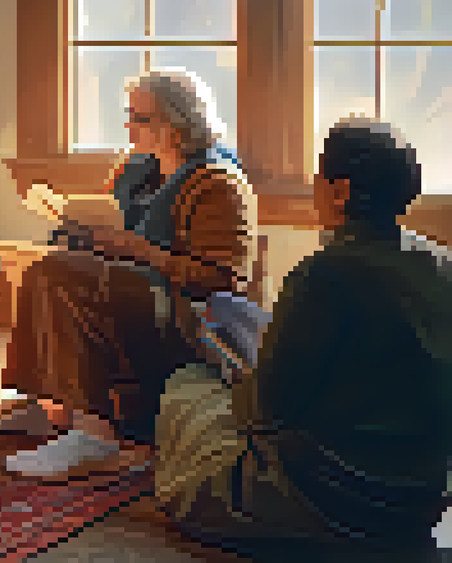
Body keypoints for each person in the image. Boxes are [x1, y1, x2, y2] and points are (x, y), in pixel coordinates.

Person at [154, 118, 452, 562]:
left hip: (331, 501)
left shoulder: (323, 274)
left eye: (320, 177)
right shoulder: (442, 264)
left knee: (187, 391)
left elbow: (266, 412)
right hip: (419, 502)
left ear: (340, 191)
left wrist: (242, 374)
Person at [0, 68, 257, 477]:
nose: (129, 125)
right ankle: (47, 403)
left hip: (189, 316)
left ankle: (94, 434)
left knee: (66, 276)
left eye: (141, 117)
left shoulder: (218, 182)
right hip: (134, 292)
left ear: (176, 123)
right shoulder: (135, 171)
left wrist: (138, 250)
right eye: (129, 114)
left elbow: (222, 281)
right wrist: (78, 229)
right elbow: (112, 228)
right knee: (41, 265)